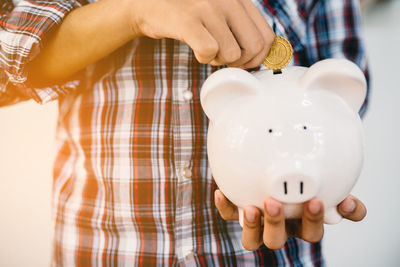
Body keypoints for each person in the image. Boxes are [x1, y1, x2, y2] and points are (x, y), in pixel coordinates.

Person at [0, 0, 368, 265]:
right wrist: (136, 11)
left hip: (265, 255)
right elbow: (7, 70)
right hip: (103, 247)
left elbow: (341, 102)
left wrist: (324, 176)